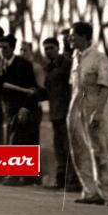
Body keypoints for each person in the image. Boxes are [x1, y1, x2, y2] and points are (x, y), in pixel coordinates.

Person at [67, 21, 108, 206]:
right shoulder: (76, 57)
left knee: (100, 151)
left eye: (73, 35)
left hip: (95, 107)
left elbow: (105, 87)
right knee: (79, 151)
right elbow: (74, 86)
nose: (70, 38)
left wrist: (98, 113)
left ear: (84, 36)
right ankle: (90, 191)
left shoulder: (99, 58)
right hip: (77, 109)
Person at [0, 34, 44, 186]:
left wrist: (25, 107)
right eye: (0, 48)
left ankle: (16, 175)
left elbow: (33, 89)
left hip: (21, 107)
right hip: (10, 108)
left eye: (5, 48)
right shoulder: (3, 64)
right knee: (17, 139)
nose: (2, 51)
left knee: (17, 140)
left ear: (12, 47)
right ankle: (22, 175)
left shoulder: (23, 64)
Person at [42, 36, 79, 191]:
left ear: (58, 49)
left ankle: (72, 181)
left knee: (68, 146)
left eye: (51, 48)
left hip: (66, 111)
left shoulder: (66, 64)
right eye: (46, 49)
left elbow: (71, 87)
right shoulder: (49, 67)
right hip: (56, 112)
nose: (48, 51)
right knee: (59, 147)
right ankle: (62, 179)